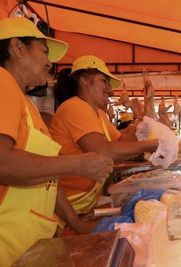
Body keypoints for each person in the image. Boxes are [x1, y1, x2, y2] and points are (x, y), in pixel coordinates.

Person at [0, 17, 114, 264]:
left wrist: (75, 223)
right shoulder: (2, 82)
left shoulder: (24, 103)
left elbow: (46, 176)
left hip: (30, 242)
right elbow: (3, 163)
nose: (49, 62)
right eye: (44, 51)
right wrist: (76, 165)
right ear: (18, 48)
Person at [50, 55, 159, 215]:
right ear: (85, 80)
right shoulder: (75, 107)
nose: (110, 89)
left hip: (86, 203)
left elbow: (125, 141)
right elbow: (104, 152)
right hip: (70, 207)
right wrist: (152, 144)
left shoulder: (98, 114)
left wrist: (147, 105)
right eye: (104, 81)